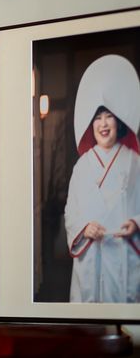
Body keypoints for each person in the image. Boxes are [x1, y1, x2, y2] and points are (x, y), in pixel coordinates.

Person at [65, 54, 140, 303]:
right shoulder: (82, 166)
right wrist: (84, 228)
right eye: (97, 117)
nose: (103, 124)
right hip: (91, 252)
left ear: (118, 121)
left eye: (108, 116)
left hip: (124, 252)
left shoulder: (134, 161)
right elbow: (71, 212)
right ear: (91, 124)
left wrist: (136, 223)